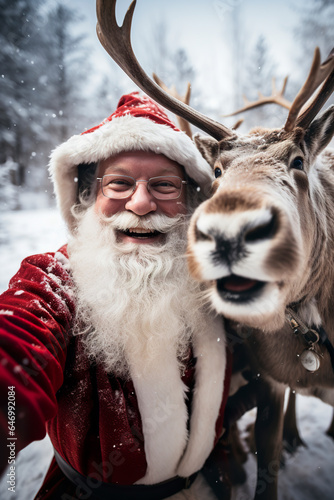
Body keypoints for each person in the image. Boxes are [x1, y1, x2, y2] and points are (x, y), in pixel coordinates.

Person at [0, 92, 231, 499]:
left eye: (163, 185)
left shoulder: (215, 285)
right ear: (89, 198)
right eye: (120, 183)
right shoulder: (53, 279)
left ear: (188, 203)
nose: (141, 204)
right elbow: (17, 353)